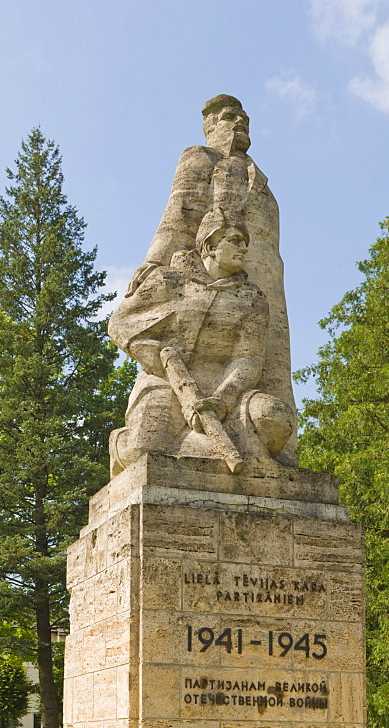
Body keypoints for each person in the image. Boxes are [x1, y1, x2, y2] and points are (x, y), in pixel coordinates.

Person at [124, 94, 297, 468]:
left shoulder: (261, 179)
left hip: (264, 290)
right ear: (211, 125)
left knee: (274, 382)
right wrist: (154, 262)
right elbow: (178, 215)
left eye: (244, 117)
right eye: (229, 117)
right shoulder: (200, 159)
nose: (240, 122)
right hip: (205, 279)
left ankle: (277, 456)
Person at [108, 211, 295, 474]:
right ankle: (121, 443)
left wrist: (222, 399)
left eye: (245, 242)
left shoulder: (252, 298)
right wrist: (159, 355)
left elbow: (248, 360)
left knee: (275, 418)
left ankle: (198, 448)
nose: (243, 248)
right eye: (234, 240)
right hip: (167, 384)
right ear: (209, 246)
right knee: (145, 450)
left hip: (228, 392)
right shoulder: (168, 281)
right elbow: (120, 324)